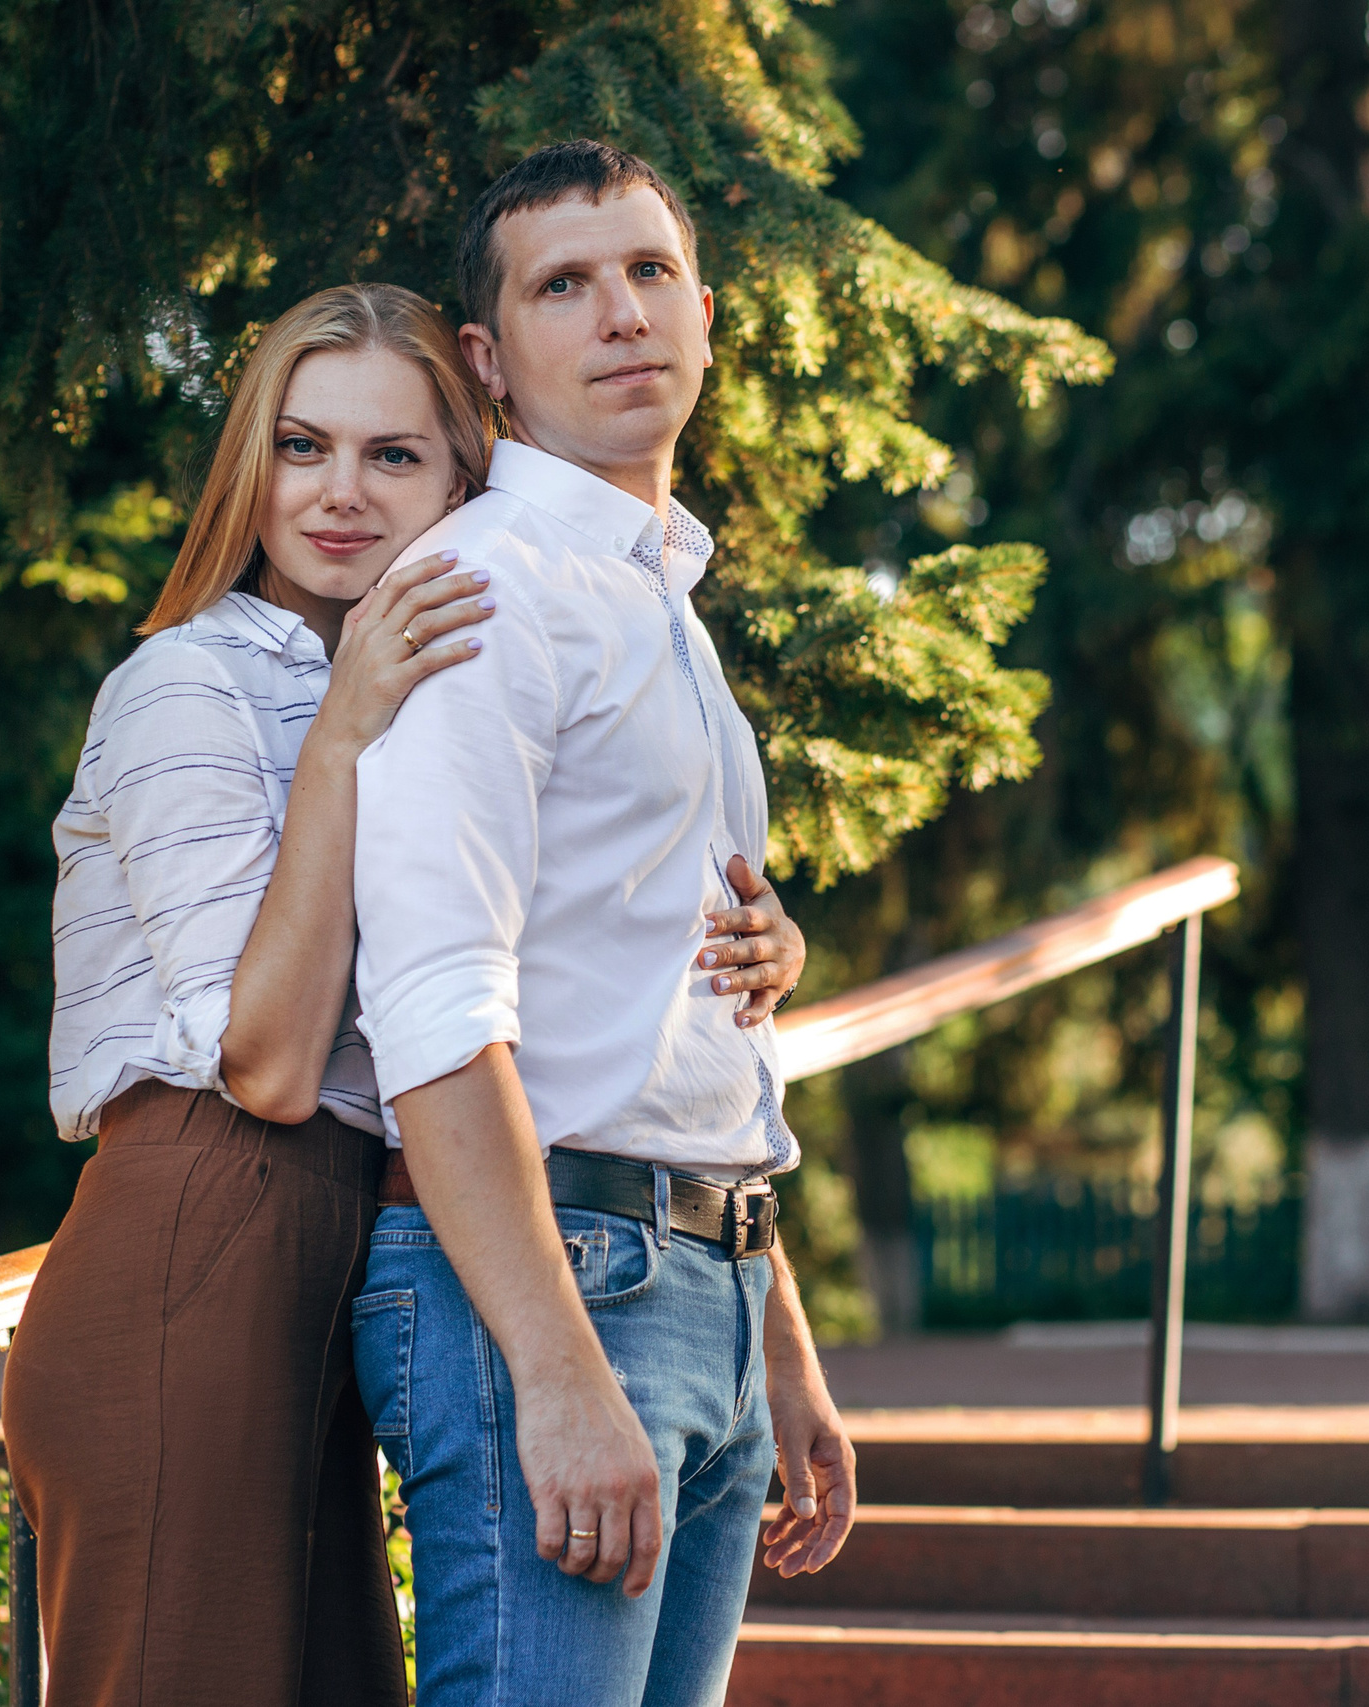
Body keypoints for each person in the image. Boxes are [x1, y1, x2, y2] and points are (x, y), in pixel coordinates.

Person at [350, 141, 859, 1707]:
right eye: (564, 285)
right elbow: (436, 1008)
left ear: (703, 311)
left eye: (649, 271)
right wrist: (556, 1369)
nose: (622, 311)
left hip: (701, 1281)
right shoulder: (488, 588)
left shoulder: (654, 599)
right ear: (491, 362)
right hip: (560, 1289)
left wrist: (778, 1334)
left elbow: (685, 1013)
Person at [1, 283, 495, 1707]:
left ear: (460, 482)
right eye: (301, 446)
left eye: (393, 454)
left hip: (350, 1267)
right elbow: (268, 1064)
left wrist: (753, 937)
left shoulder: (451, 693)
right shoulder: (187, 686)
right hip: (196, 1241)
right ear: (250, 468)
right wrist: (339, 736)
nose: (341, 493)